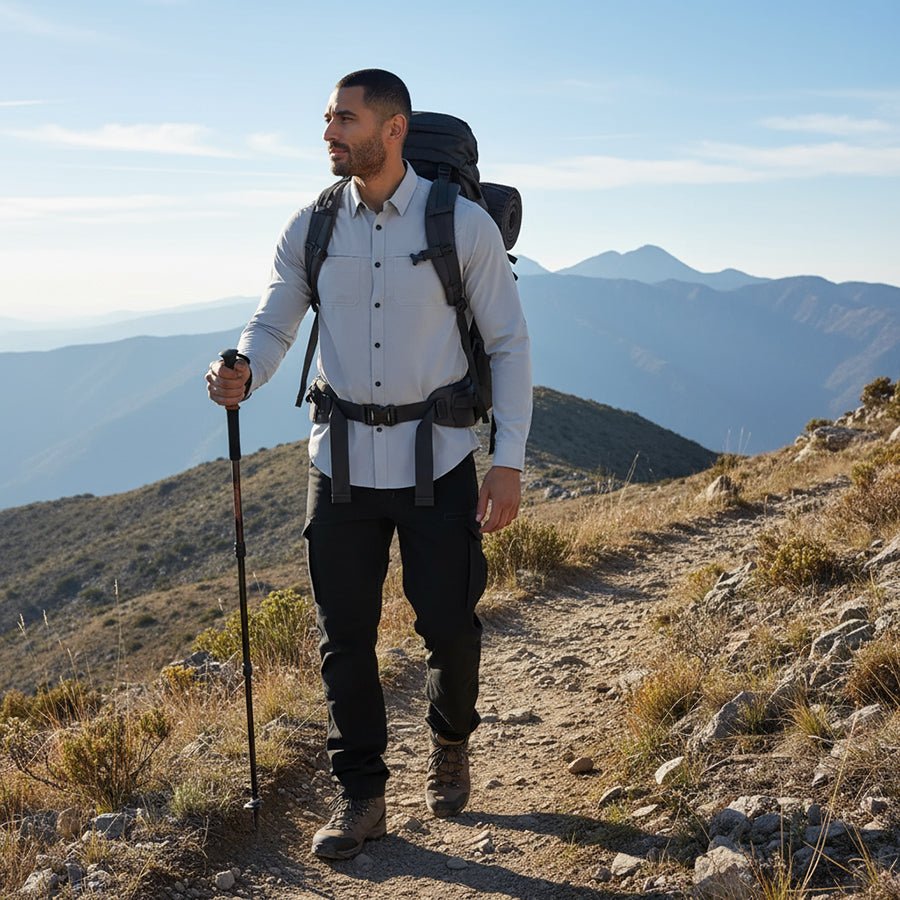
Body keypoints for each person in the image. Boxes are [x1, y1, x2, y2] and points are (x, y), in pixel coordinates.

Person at [206, 68, 531, 860]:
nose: (329, 132)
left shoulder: (462, 226)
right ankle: (361, 796)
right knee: (342, 638)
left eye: (344, 119)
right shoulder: (313, 226)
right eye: (328, 118)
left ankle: (450, 738)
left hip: (439, 460)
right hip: (341, 463)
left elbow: (509, 344)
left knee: (449, 626)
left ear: (393, 129)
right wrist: (244, 368)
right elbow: (274, 320)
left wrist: (508, 462)